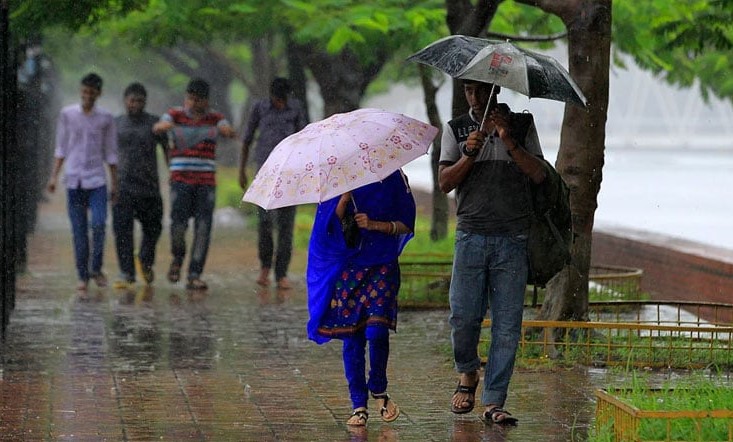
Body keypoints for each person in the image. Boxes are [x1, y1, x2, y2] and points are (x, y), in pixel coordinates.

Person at [438, 80, 547, 425]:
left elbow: (539, 174)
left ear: (496, 90)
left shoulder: (522, 125)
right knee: (463, 316)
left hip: (512, 238)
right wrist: (470, 152)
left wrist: (507, 139)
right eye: (469, 90)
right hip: (471, 235)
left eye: (482, 90)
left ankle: (494, 400)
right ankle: (467, 372)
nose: (475, 97)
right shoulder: (455, 129)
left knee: (507, 325)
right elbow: (444, 183)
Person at [306, 170, 416, 427]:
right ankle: (358, 405)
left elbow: (407, 224)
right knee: (352, 336)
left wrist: (376, 225)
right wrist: (344, 198)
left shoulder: (394, 178)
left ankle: (378, 388)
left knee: (377, 331)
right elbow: (326, 229)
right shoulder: (337, 180)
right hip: (349, 269)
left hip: (383, 266)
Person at [153, 78, 236, 290]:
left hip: (205, 182)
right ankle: (177, 258)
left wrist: (227, 132)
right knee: (178, 225)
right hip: (180, 180)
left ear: (206, 101)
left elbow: (228, 130)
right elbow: (158, 128)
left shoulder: (216, 119)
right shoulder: (174, 115)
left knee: (203, 228)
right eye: (189, 98)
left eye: (197, 100)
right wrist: (165, 127)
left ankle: (194, 273)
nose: (191, 103)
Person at [47, 72, 118, 293]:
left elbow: (111, 152)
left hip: (97, 180)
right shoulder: (68, 115)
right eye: (84, 91)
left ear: (99, 93)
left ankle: (95, 268)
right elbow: (62, 147)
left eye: (91, 92)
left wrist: (115, 183)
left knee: (98, 224)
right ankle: (82, 276)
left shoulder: (106, 119)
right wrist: (53, 176)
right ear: (81, 91)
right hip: (74, 180)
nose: (87, 96)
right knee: (79, 232)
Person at [239, 77, 308, 289]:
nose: (281, 104)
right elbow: (247, 139)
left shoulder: (295, 109)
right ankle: (265, 266)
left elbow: (306, 138)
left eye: (284, 100)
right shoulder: (259, 108)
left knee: (286, 226)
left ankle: (281, 273)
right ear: (272, 96)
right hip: (265, 172)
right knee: (265, 223)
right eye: (278, 100)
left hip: (290, 173)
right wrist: (241, 170)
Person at [112, 82, 167, 289]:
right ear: (125, 101)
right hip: (123, 187)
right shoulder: (116, 124)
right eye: (132, 100)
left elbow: (168, 149)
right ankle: (126, 273)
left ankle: (145, 260)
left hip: (149, 187)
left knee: (154, 229)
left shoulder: (155, 124)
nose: (135, 104)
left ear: (145, 102)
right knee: (122, 231)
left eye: (140, 101)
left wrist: (172, 172)